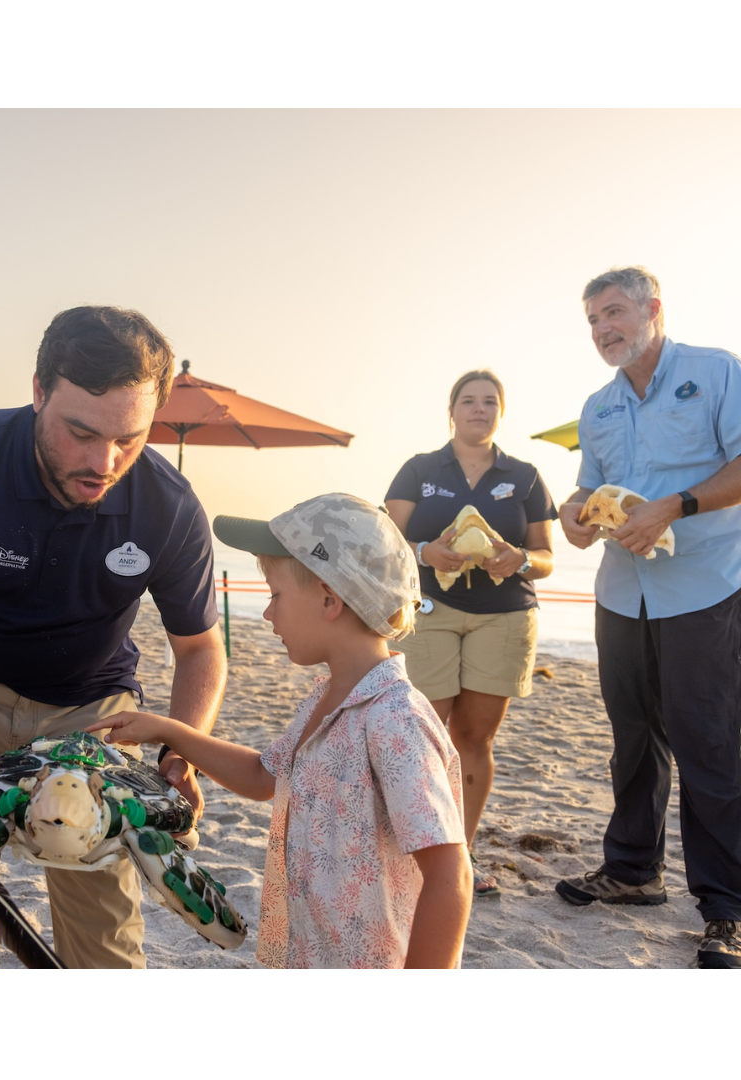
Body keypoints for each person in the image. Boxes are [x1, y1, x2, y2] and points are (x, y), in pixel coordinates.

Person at [0, 305, 226, 970]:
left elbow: (201, 648)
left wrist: (183, 749)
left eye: (130, 437)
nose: (104, 461)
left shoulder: (169, 505)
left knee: (105, 937)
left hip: (90, 716)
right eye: (81, 432)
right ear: (38, 390)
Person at [96, 494, 472, 967]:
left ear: (329, 599)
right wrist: (169, 731)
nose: (268, 615)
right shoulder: (326, 697)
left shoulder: (395, 720)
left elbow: (450, 876)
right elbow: (262, 777)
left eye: (275, 595)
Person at [551, 267, 741, 969]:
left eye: (614, 313)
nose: (604, 330)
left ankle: (727, 908)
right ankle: (633, 871)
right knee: (632, 738)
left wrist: (677, 505)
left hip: (705, 587)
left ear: (652, 309)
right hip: (619, 593)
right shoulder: (597, 406)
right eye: (594, 321)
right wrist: (572, 515)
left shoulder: (716, 372)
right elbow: (584, 493)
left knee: (709, 744)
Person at [383, 369, 556, 898]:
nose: (478, 409)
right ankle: (414, 844)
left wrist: (519, 559)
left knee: (474, 739)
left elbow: (546, 558)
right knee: (424, 735)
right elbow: (386, 538)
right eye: (468, 401)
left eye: (489, 402)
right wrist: (423, 551)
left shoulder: (524, 475)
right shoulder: (418, 469)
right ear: (452, 410)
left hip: (503, 615)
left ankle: (461, 850)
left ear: (500, 412)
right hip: (429, 608)